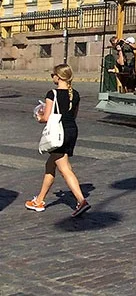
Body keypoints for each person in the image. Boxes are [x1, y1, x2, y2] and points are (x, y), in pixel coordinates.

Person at [25, 64, 90, 217]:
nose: (52, 77)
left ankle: (81, 201)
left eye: (52, 75)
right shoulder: (75, 94)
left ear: (59, 77)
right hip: (71, 130)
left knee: (64, 168)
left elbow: (46, 118)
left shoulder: (52, 93)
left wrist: (38, 116)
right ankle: (39, 200)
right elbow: (73, 115)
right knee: (50, 164)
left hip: (58, 134)